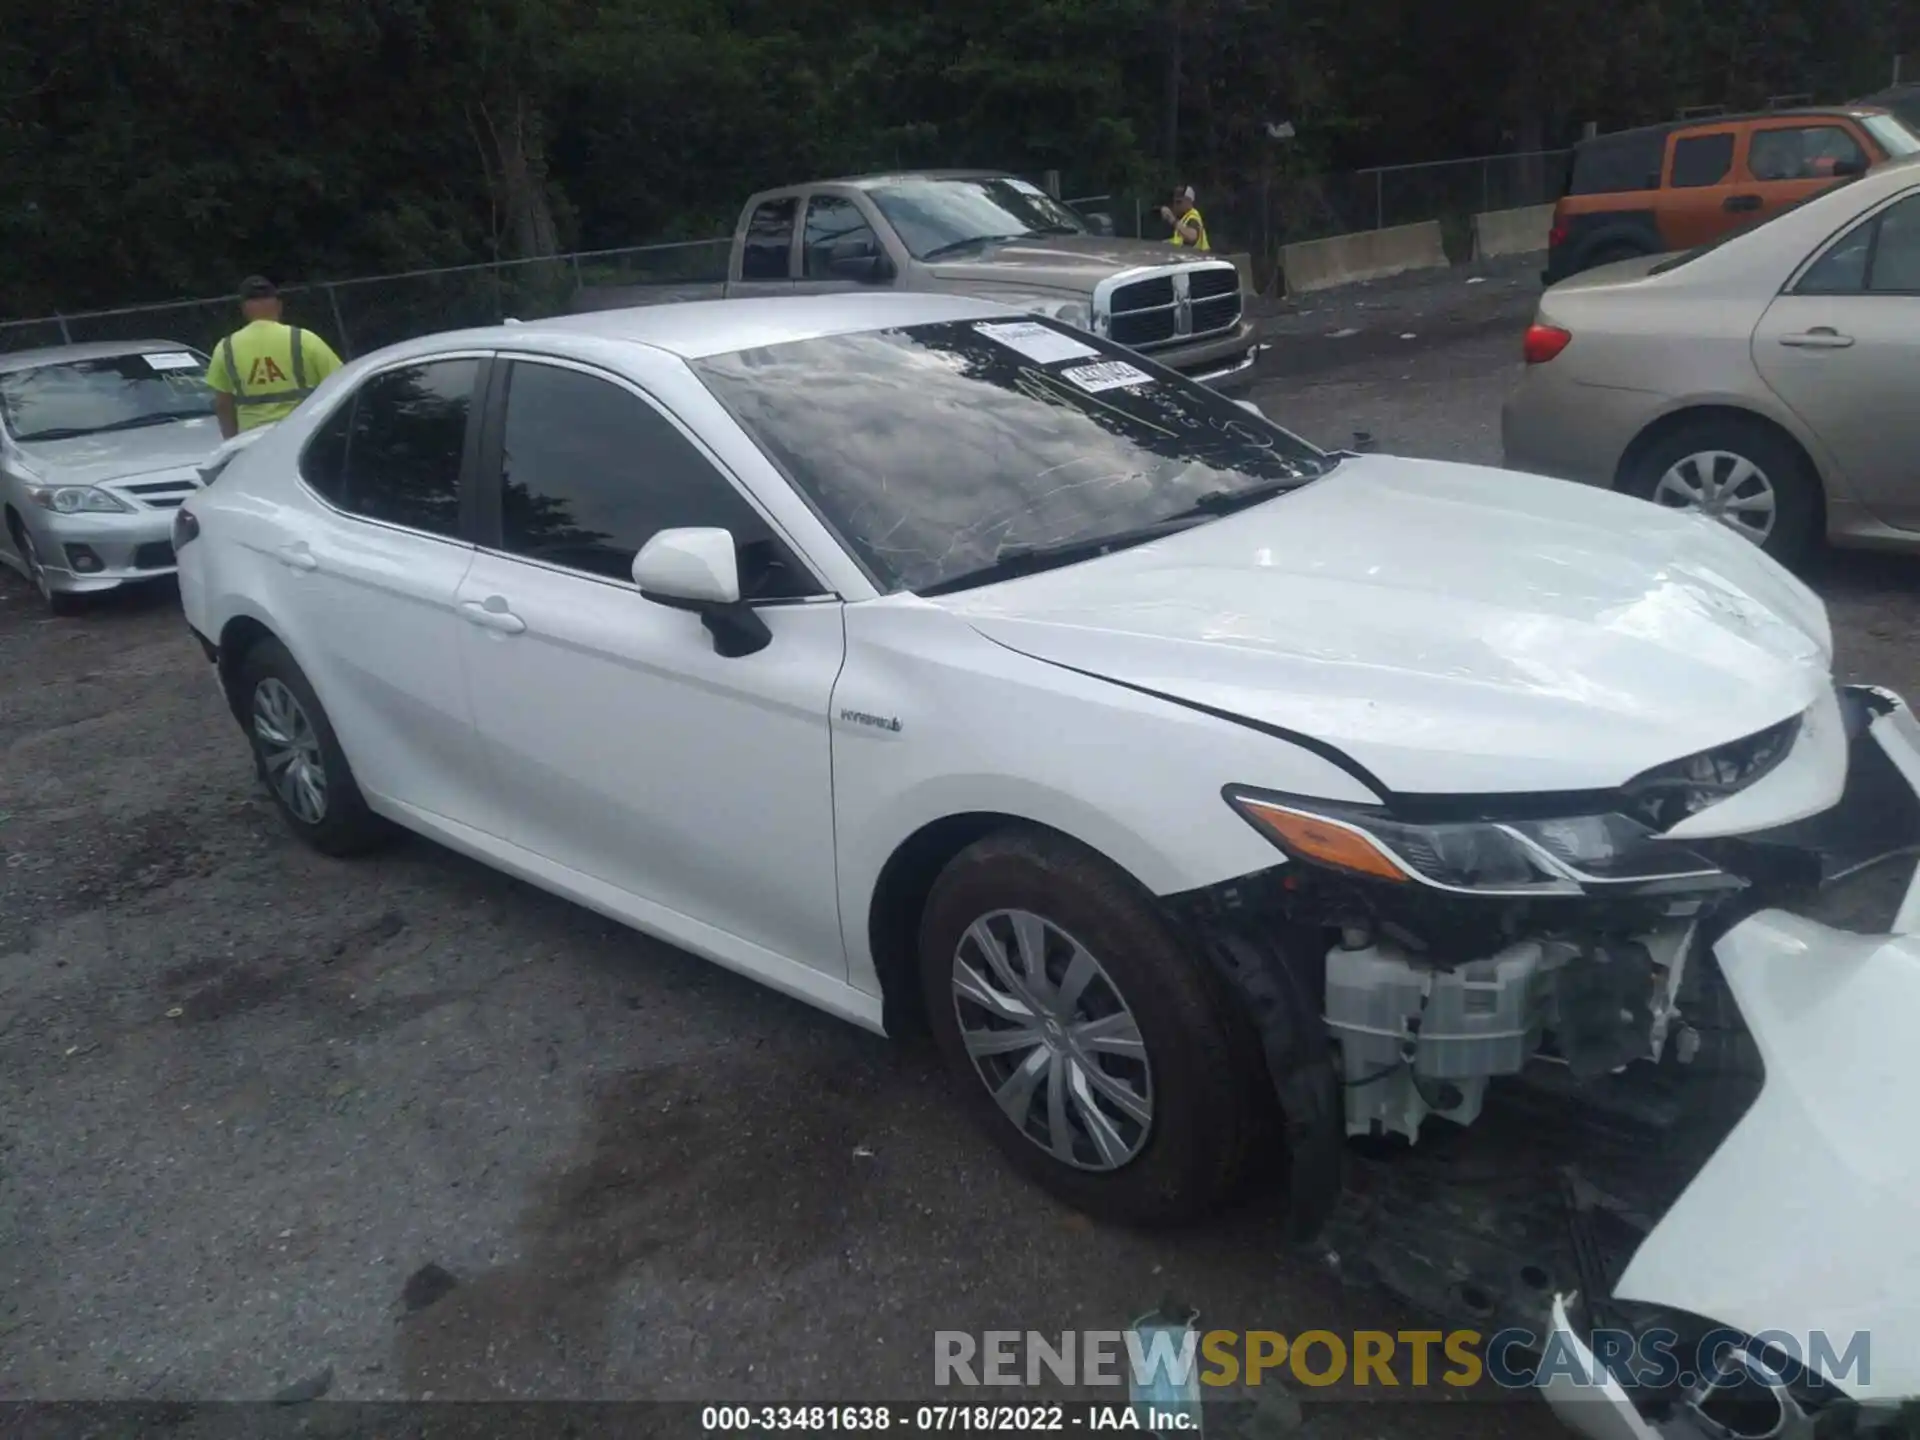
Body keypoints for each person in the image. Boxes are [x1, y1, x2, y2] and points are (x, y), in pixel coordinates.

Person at [203, 276, 343, 438]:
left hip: (252, 440)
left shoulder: (226, 348)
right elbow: (339, 383)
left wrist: (231, 442)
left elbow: (223, 405)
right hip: (303, 435)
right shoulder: (303, 339)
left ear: (244, 309)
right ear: (278, 306)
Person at [1160, 185, 1210, 251]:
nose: (1176, 205)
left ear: (1189, 201)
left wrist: (1172, 220)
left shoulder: (1193, 216)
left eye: (1179, 202)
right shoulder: (1184, 218)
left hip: (1200, 258)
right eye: (1175, 202)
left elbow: (1192, 236)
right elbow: (1179, 241)